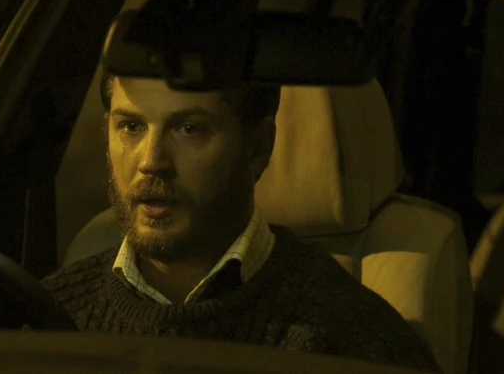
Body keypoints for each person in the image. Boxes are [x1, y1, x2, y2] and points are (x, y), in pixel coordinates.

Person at [41, 71, 441, 372]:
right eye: (131, 127)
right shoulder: (52, 317)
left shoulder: (350, 340)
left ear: (257, 149)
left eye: (189, 129)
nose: (151, 161)